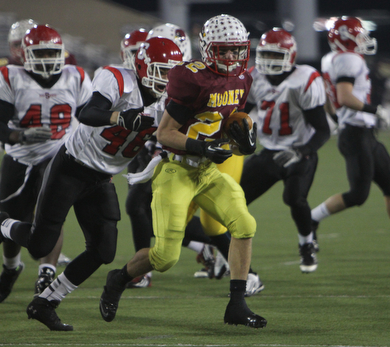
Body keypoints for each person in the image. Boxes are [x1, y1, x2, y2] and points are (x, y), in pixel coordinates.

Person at [0, 37, 184, 331]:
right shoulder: (117, 79)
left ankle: (45, 302)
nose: (167, 80)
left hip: (102, 176)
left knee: (103, 250)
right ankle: (2, 225)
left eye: (172, 73)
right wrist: (120, 117)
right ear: (141, 66)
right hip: (72, 166)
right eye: (161, 71)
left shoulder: (173, 100)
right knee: (39, 244)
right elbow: (87, 113)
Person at [99, 14, 267, 328]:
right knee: (164, 258)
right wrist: (203, 148)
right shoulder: (192, 79)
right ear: (208, 49)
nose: (231, 57)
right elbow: (164, 133)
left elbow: (230, 119)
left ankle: (237, 304)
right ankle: (118, 279)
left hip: (207, 172)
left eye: (236, 50)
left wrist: (245, 133)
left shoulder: (244, 79)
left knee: (244, 224)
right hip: (176, 170)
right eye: (224, 50)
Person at [0, 24, 92, 304]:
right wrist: (19, 135)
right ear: (25, 54)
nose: (47, 58)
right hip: (20, 156)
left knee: (52, 214)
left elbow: (91, 120)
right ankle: (10, 268)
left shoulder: (75, 76)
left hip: (58, 155)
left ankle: (46, 271)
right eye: (40, 53)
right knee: (15, 215)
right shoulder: (9, 76)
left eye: (52, 52)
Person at [240, 28, 330, 274]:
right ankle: (221, 253)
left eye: (275, 55)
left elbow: (322, 130)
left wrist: (302, 151)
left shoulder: (304, 79)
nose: (269, 61)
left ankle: (306, 242)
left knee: (294, 198)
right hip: (269, 151)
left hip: (299, 151)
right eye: (265, 54)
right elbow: (239, 114)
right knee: (233, 200)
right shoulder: (254, 77)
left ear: (291, 57)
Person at [311, 17, 390, 239]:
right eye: (358, 35)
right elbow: (344, 97)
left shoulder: (330, 59)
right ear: (346, 39)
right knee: (358, 195)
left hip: (359, 132)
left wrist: (338, 120)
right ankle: (311, 218)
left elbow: (329, 99)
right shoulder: (349, 59)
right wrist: (375, 110)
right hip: (356, 134)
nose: (363, 39)